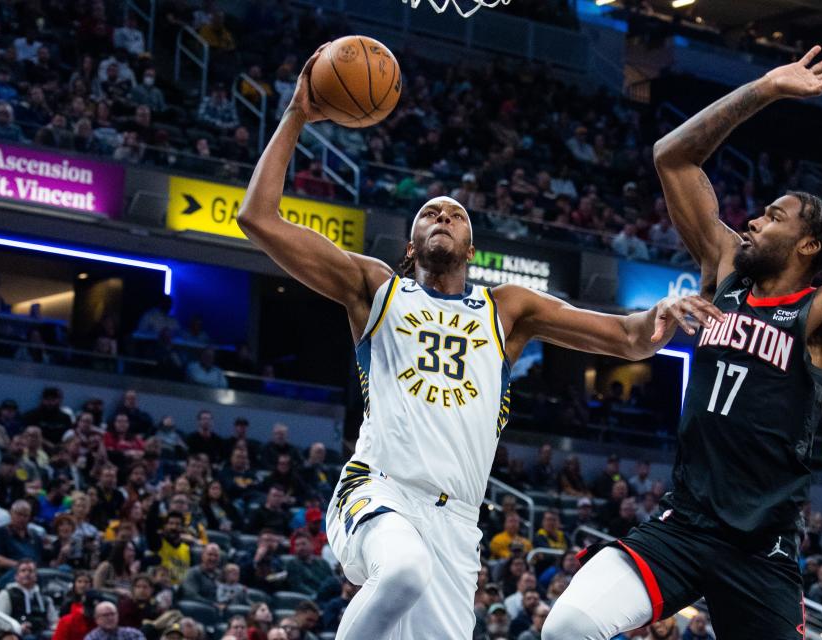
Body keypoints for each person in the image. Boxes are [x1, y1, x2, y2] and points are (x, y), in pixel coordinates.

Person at [236, 47, 716, 640]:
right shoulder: (375, 288)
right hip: (377, 487)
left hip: (458, 522)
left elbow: (626, 338)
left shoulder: (505, 309)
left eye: (455, 215)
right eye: (430, 213)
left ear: (470, 250)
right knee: (403, 570)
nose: (442, 216)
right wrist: (297, 116)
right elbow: (257, 217)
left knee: (420, 584)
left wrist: (659, 314)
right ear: (410, 246)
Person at [544, 49, 822, 639]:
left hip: (761, 550)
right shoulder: (726, 269)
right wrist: (764, 89)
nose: (754, 221)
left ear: (808, 246)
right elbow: (672, 158)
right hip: (681, 526)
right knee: (567, 627)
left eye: (773, 216)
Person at [0, 558, 58, 636]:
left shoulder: (45, 599)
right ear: (16, 576)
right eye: (23, 570)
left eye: (31, 571)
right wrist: (16, 628)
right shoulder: (7, 594)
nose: (27, 573)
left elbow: (54, 622)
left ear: (36, 576)